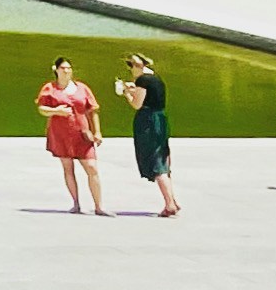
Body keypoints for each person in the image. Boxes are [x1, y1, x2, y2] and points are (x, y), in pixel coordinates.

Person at [34, 56, 103, 214]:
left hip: (82, 133)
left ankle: (99, 206)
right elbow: (42, 108)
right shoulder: (50, 88)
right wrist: (57, 111)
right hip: (61, 133)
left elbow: (92, 110)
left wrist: (97, 131)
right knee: (68, 168)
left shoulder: (82, 88)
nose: (66, 71)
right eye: (63, 68)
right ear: (56, 70)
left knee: (92, 167)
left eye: (68, 68)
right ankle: (76, 202)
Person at [116, 54, 180, 217]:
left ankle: (170, 204)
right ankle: (172, 200)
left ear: (136, 66)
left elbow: (137, 104)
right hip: (160, 119)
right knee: (163, 157)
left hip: (149, 121)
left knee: (155, 162)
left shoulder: (143, 80)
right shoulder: (155, 79)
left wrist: (126, 94)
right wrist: (133, 89)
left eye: (132, 66)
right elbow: (149, 96)